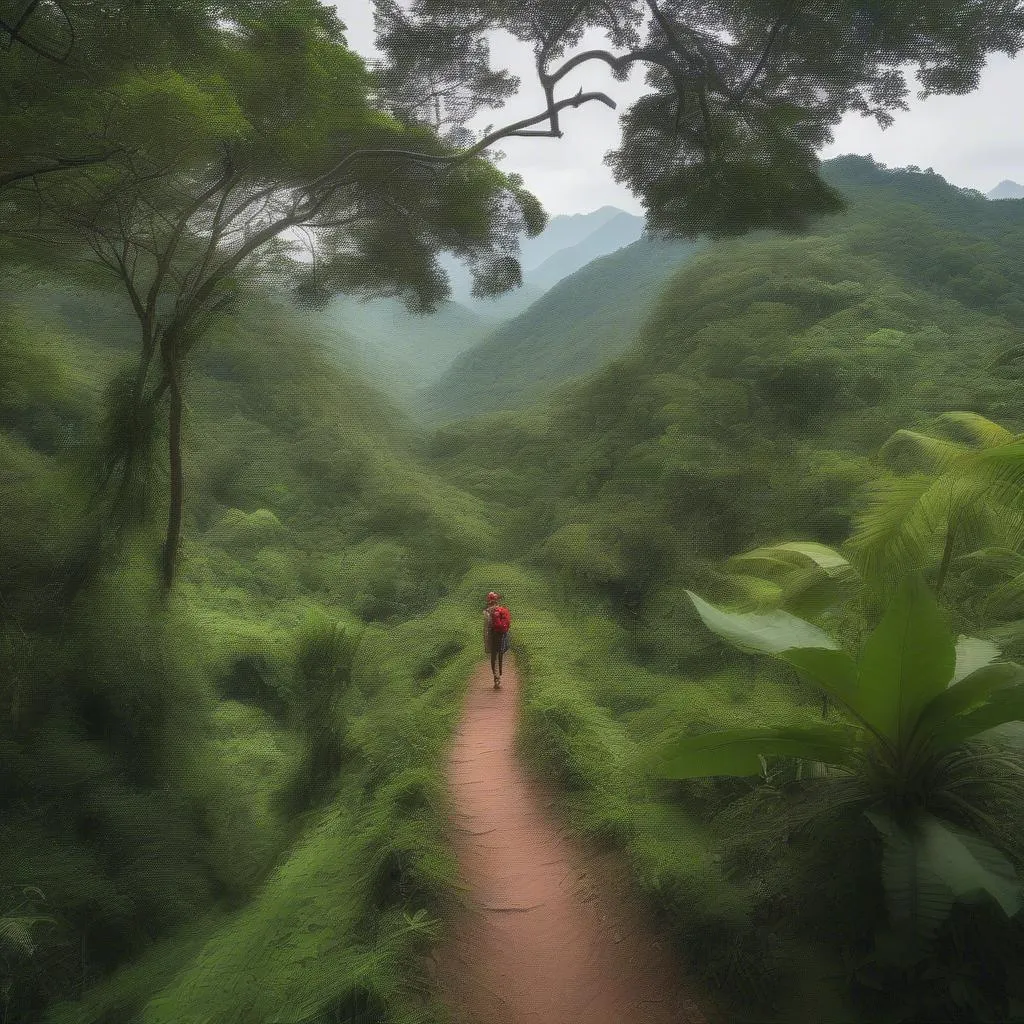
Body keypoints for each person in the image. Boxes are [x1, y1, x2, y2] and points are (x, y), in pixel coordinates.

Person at [483, 590, 510, 688]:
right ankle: (500, 675)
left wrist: (486, 640)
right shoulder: (501, 610)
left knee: (493, 657)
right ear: (497, 600)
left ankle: (496, 678)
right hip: (501, 635)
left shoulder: (487, 612)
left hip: (493, 636)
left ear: (489, 601)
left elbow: (486, 627)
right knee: (500, 655)